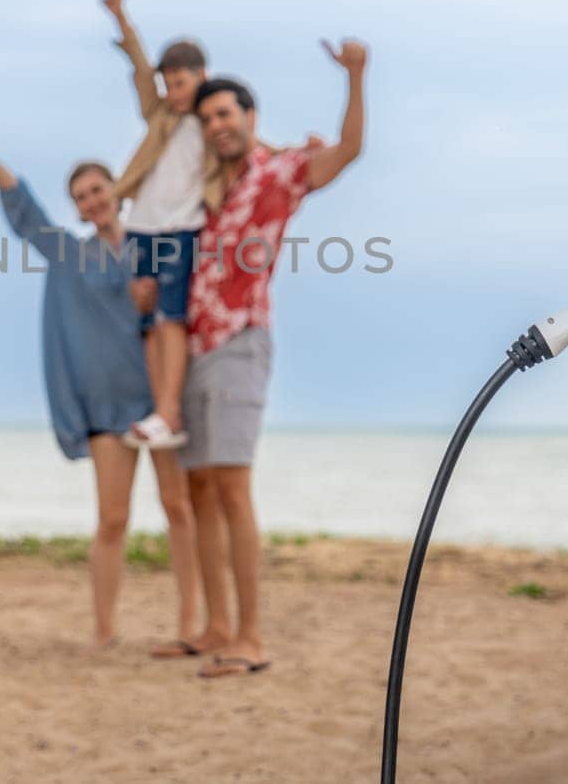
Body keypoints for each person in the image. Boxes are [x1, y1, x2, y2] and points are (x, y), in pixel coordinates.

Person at [0, 100, 203, 655]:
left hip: (157, 401)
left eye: (98, 189)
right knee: (112, 519)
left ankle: (189, 624)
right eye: (82, 196)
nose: (92, 200)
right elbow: (22, 206)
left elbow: (177, 318)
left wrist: (146, 302)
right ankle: (104, 630)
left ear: (116, 191)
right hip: (105, 409)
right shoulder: (66, 253)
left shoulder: (151, 247)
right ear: (79, 209)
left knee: (179, 509)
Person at [175, 39, 368, 679]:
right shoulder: (210, 185)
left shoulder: (281, 172)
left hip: (241, 340)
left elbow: (347, 153)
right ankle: (217, 627)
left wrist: (356, 77)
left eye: (225, 114)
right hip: (196, 345)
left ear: (250, 117)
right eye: (208, 119)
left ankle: (252, 638)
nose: (216, 125)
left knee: (231, 486)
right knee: (198, 487)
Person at [100, 0, 211, 452]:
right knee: (147, 317)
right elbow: (141, 71)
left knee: (171, 318)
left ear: (201, 77)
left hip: (183, 228)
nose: (171, 91)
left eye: (180, 83)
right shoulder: (162, 115)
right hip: (142, 224)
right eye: (168, 84)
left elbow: (257, 148)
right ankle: (160, 410)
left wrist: (301, 151)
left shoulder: (214, 119)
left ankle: (170, 410)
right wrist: (121, 19)